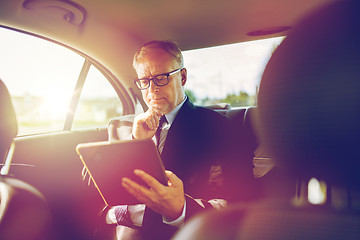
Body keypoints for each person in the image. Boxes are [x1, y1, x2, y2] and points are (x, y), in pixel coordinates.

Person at [105, 40, 242, 239]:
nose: (152, 89)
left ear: (183, 77)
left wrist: (181, 209)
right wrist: (135, 142)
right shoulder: (121, 128)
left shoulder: (220, 127)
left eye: (161, 78)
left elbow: (237, 202)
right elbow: (99, 192)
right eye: (145, 81)